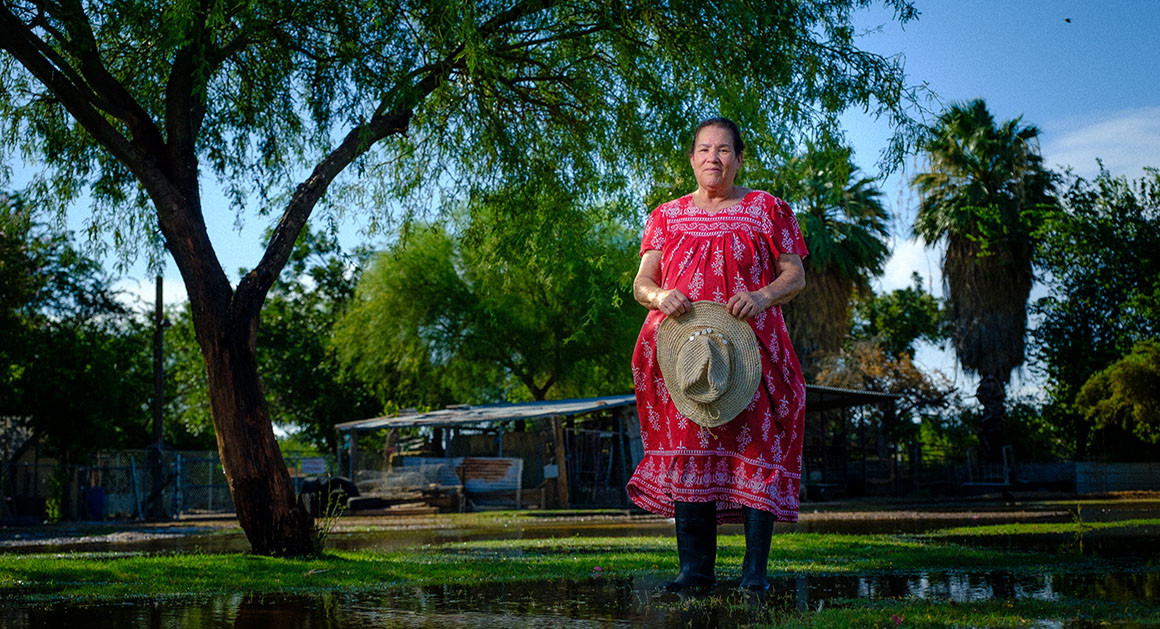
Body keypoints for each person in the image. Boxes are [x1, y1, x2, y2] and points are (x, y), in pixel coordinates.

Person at [628, 117, 808, 592]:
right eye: (704, 149)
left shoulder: (768, 209)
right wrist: (659, 296)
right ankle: (694, 571)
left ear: (739, 158)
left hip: (753, 353)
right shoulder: (665, 215)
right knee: (691, 447)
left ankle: (755, 576)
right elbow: (641, 283)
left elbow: (795, 275)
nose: (713, 158)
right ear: (691, 159)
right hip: (685, 356)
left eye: (724, 150)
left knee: (756, 447)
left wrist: (765, 296)